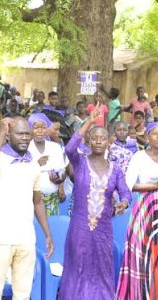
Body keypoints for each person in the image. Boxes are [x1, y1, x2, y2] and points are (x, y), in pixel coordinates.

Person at [60, 109, 131, 299]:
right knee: (78, 264)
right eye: (95, 138)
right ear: (89, 141)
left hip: (103, 229)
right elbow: (69, 148)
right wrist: (88, 123)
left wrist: (123, 203)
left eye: (103, 138)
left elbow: (125, 191)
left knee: (101, 265)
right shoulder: (80, 162)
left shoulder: (115, 169)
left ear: (109, 142)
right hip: (80, 226)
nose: (99, 141)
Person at [0, 117, 53, 300]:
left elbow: (37, 201)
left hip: (25, 238)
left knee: (23, 292)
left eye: (27, 134)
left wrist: (47, 233)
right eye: (19, 134)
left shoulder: (33, 164)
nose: (24, 138)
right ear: (9, 135)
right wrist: (2, 134)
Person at [116, 122, 158, 299]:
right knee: (143, 251)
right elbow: (129, 184)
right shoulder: (139, 156)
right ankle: (140, 293)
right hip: (146, 207)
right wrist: (155, 185)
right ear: (147, 137)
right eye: (155, 133)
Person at [27, 113, 66, 215]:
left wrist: (60, 181)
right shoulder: (25, 149)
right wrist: (37, 165)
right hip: (31, 200)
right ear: (30, 129)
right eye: (36, 128)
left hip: (52, 199)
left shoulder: (55, 147)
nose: (40, 131)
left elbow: (62, 171)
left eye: (43, 127)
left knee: (50, 227)